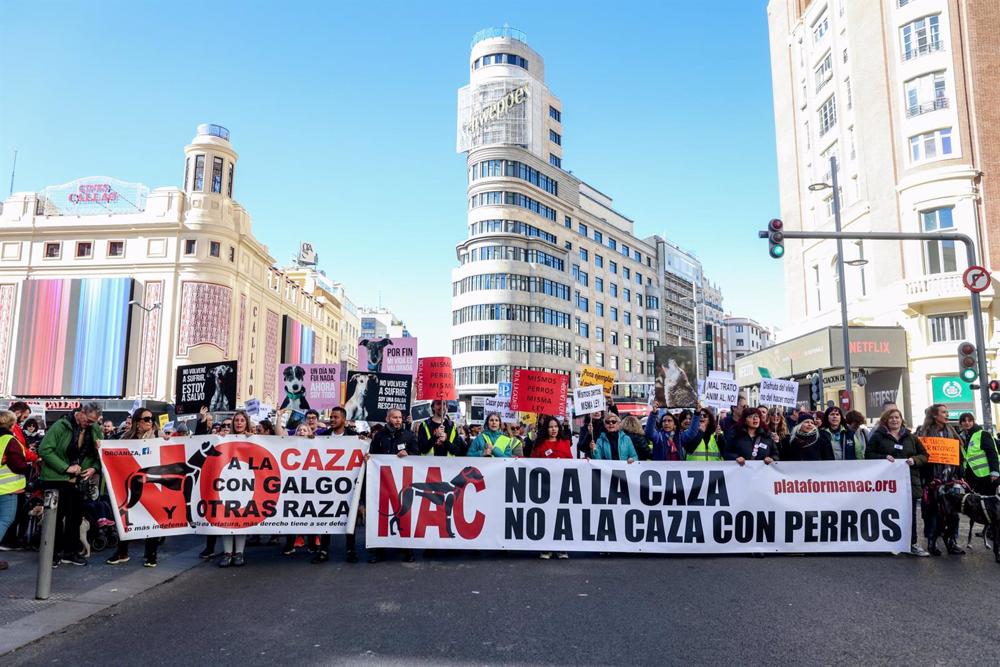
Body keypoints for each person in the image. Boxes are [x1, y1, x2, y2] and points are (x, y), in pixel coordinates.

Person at [39, 402, 103, 567]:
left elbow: (101, 454)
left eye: (93, 422)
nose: (89, 424)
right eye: (88, 420)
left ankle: (70, 552)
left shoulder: (93, 428)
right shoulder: (61, 425)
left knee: (75, 518)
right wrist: (66, 468)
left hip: (78, 480)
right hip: (56, 478)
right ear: (81, 412)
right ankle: (52, 553)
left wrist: (93, 468)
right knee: (55, 518)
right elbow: (44, 449)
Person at [866, 408, 929, 557]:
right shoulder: (878, 436)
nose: (894, 420)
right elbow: (868, 454)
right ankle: (889, 543)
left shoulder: (911, 437)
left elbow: (925, 455)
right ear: (886, 421)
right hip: (886, 484)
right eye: (891, 418)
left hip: (909, 482)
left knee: (910, 515)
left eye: (897, 417)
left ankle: (912, 543)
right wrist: (883, 458)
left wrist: (915, 460)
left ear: (901, 420)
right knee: (887, 513)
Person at [106, 408, 163, 567]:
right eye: (146, 419)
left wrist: (167, 440)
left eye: (152, 418)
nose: (150, 421)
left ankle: (151, 554)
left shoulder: (158, 436)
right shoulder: (126, 438)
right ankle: (122, 552)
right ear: (137, 422)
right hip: (131, 483)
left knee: (152, 517)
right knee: (126, 516)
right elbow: (112, 453)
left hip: (152, 483)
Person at [367, 409, 419, 563]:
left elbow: (417, 454)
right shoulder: (379, 436)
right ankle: (378, 549)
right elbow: (373, 454)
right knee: (381, 514)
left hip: (402, 482)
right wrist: (369, 458)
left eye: (400, 418)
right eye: (394, 417)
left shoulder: (408, 435)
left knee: (404, 513)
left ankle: (407, 549)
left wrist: (408, 454)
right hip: (383, 481)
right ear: (387, 419)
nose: (398, 420)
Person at [312, 406, 361, 565]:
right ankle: (323, 550)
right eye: (331, 417)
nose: (332, 420)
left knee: (350, 518)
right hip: (327, 485)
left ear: (344, 420)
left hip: (347, 485)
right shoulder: (322, 437)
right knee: (326, 516)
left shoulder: (355, 437)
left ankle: (351, 550)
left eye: (335, 417)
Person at [915, 404, 964, 556]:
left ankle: (952, 542)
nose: (947, 414)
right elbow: (920, 456)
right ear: (935, 415)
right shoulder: (923, 433)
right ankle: (932, 542)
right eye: (943, 412)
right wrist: (927, 478)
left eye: (947, 412)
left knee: (953, 514)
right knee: (932, 513)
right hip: (932, 480)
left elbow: (959, 456)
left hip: (950, 479)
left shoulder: (952, 431)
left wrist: (959, 475)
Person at [217, 409, 255, 567]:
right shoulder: (224, 438)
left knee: (241, 519)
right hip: (227, 483)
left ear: (246, 423)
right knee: (227, 518)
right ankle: (227, 553)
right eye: (237, 420)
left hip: (245, 484)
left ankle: (239, 553)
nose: (239, 423)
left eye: (242, 420)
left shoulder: (254, 439)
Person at [531, 416, 571, 560]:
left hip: (561, 486)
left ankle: (561, 547)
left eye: (556, 426)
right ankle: (546, 547)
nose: (553, 429)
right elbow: (532, 463)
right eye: (550, 427)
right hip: (544, 487)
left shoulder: (565, 443)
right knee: (546, 516)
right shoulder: (539, 444)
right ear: (546, 429)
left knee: (560, 517)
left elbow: (571, 462)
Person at [0, 410, 31, 570]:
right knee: (5, 520)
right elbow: (19, 465)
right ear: (12, 424)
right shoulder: (9, 440)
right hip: (8, 488)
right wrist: (28, 466)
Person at [956, 412, 999, 495]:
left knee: (987, 501)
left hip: (986, 475)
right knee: (972, 500)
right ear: (960, 423)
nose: (967, 423)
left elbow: (992, 453)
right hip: (969, 476)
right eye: (964, 421)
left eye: (970, 420)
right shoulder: (960, 437)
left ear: (973, 422)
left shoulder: (982, 434)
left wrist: (994, 471)